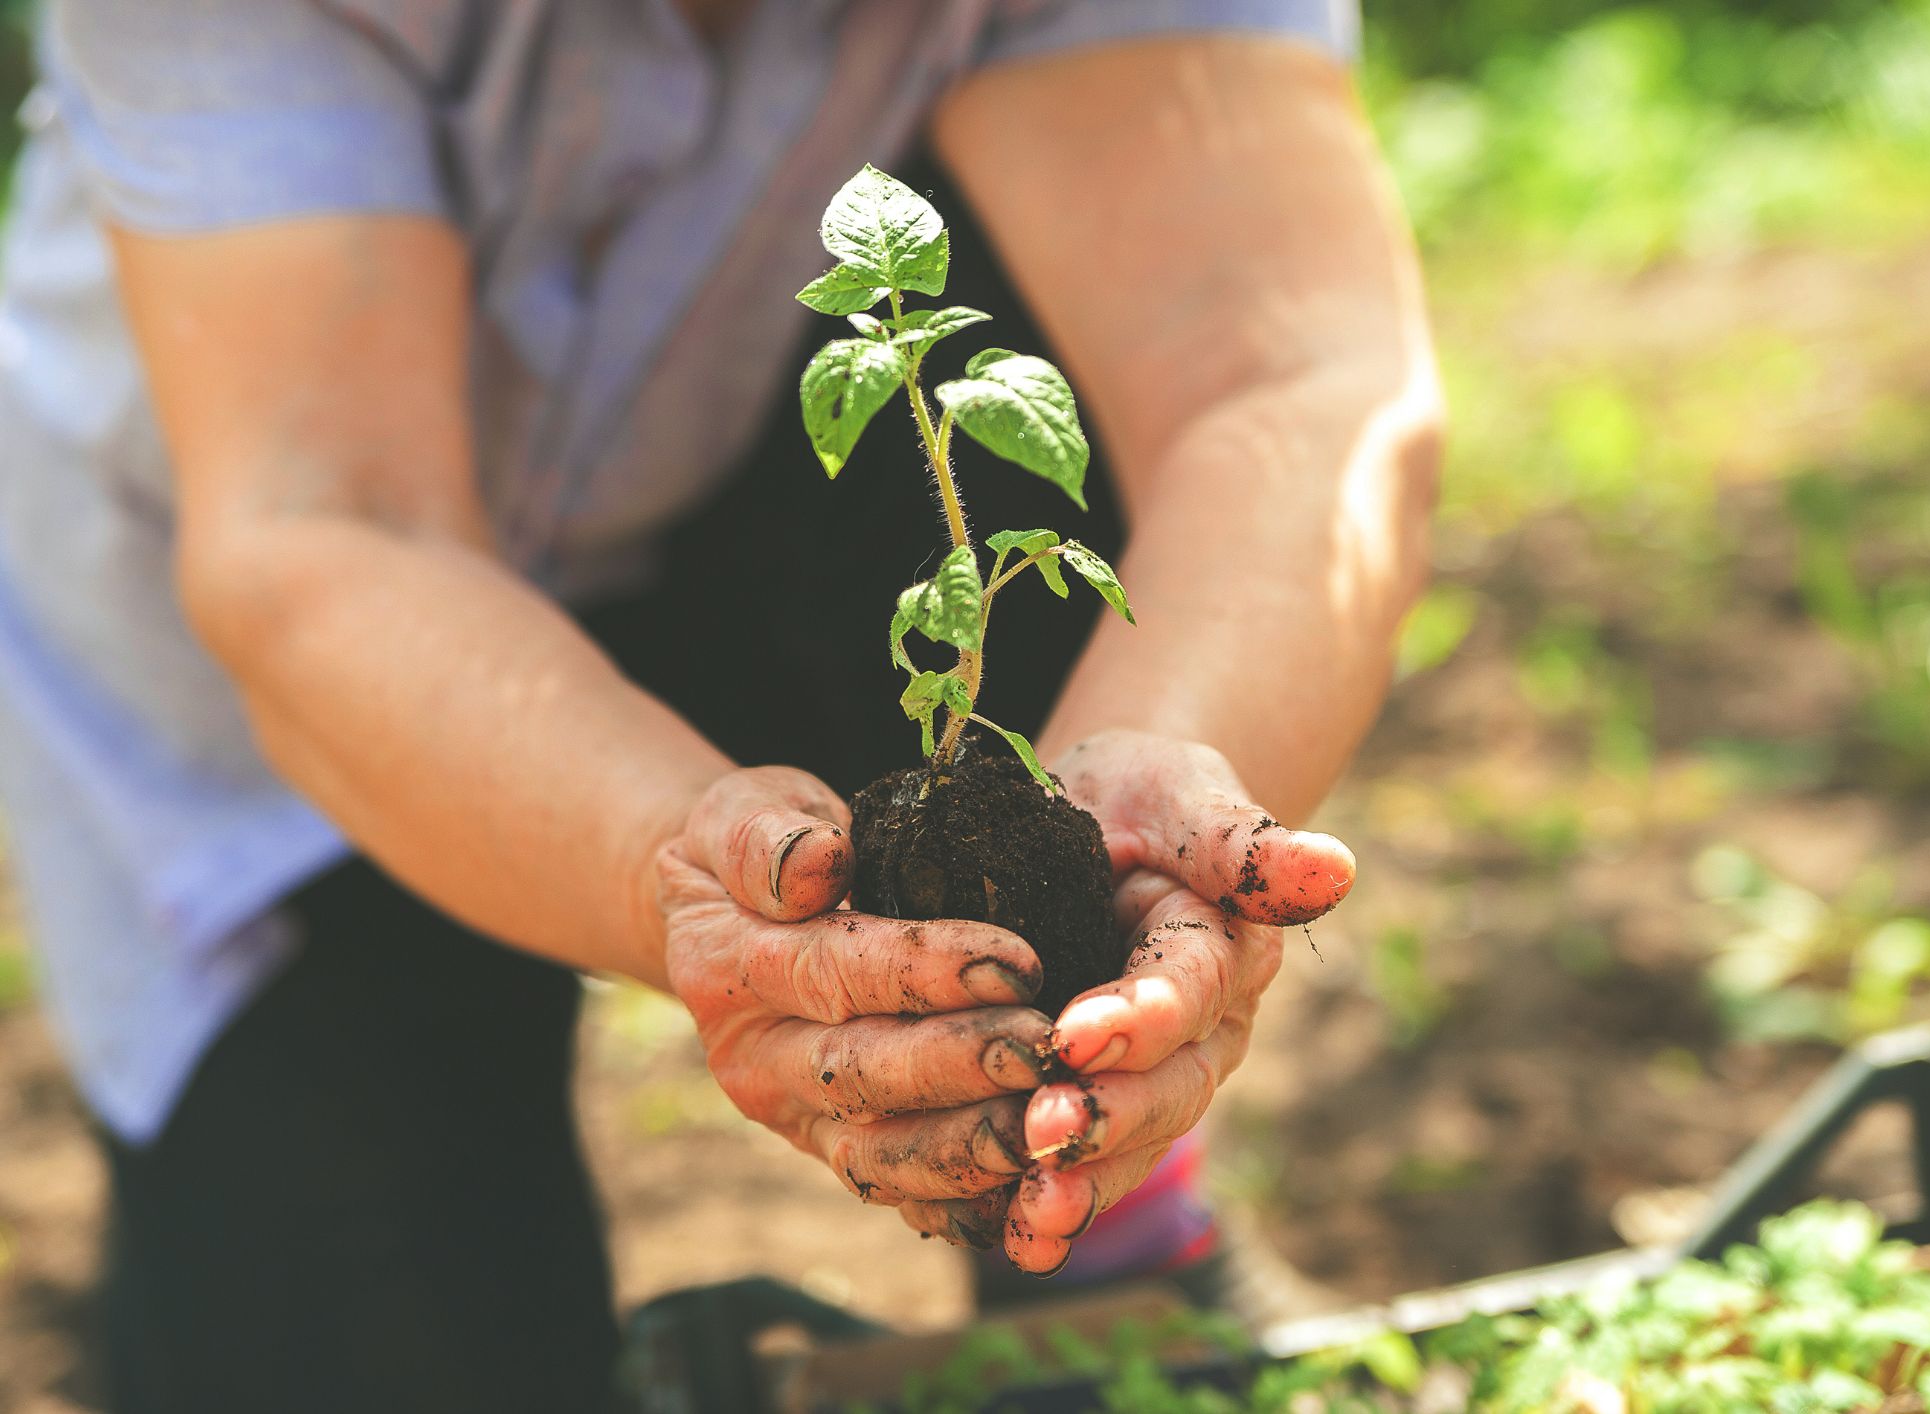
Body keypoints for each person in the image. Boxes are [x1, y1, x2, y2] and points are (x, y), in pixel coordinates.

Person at [0, 1, 1441, 1410]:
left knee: (1060, 313)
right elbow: (334, 528)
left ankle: (1094, 1185)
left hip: (719, 497)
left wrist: (1171, 764)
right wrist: (682, 875)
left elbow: (1281, 379)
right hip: (269, 656)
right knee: (370, 1331)